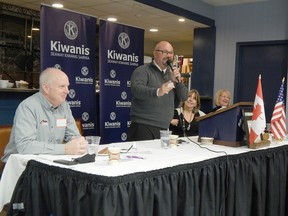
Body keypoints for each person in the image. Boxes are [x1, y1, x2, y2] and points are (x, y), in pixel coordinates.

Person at [2, 68, 87, 163]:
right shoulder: (28, 107)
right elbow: (25, 146)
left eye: (67, 86)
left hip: (48, 162)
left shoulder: (64, 106)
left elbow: (74, 136)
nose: (67, 91)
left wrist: (78, 143)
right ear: (46, 88)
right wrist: (65, 149)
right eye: (62, 86)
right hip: (19, 165)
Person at [127, 41, 188, 141]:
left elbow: (184, 97)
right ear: (155, 53)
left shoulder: (171, 74)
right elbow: (136, 89)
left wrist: (178, 82)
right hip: (144, 126)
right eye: (165, 52)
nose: (168, 55)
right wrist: (157, 91)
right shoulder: (143, 70)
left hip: (164, 128)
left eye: (171, 53)